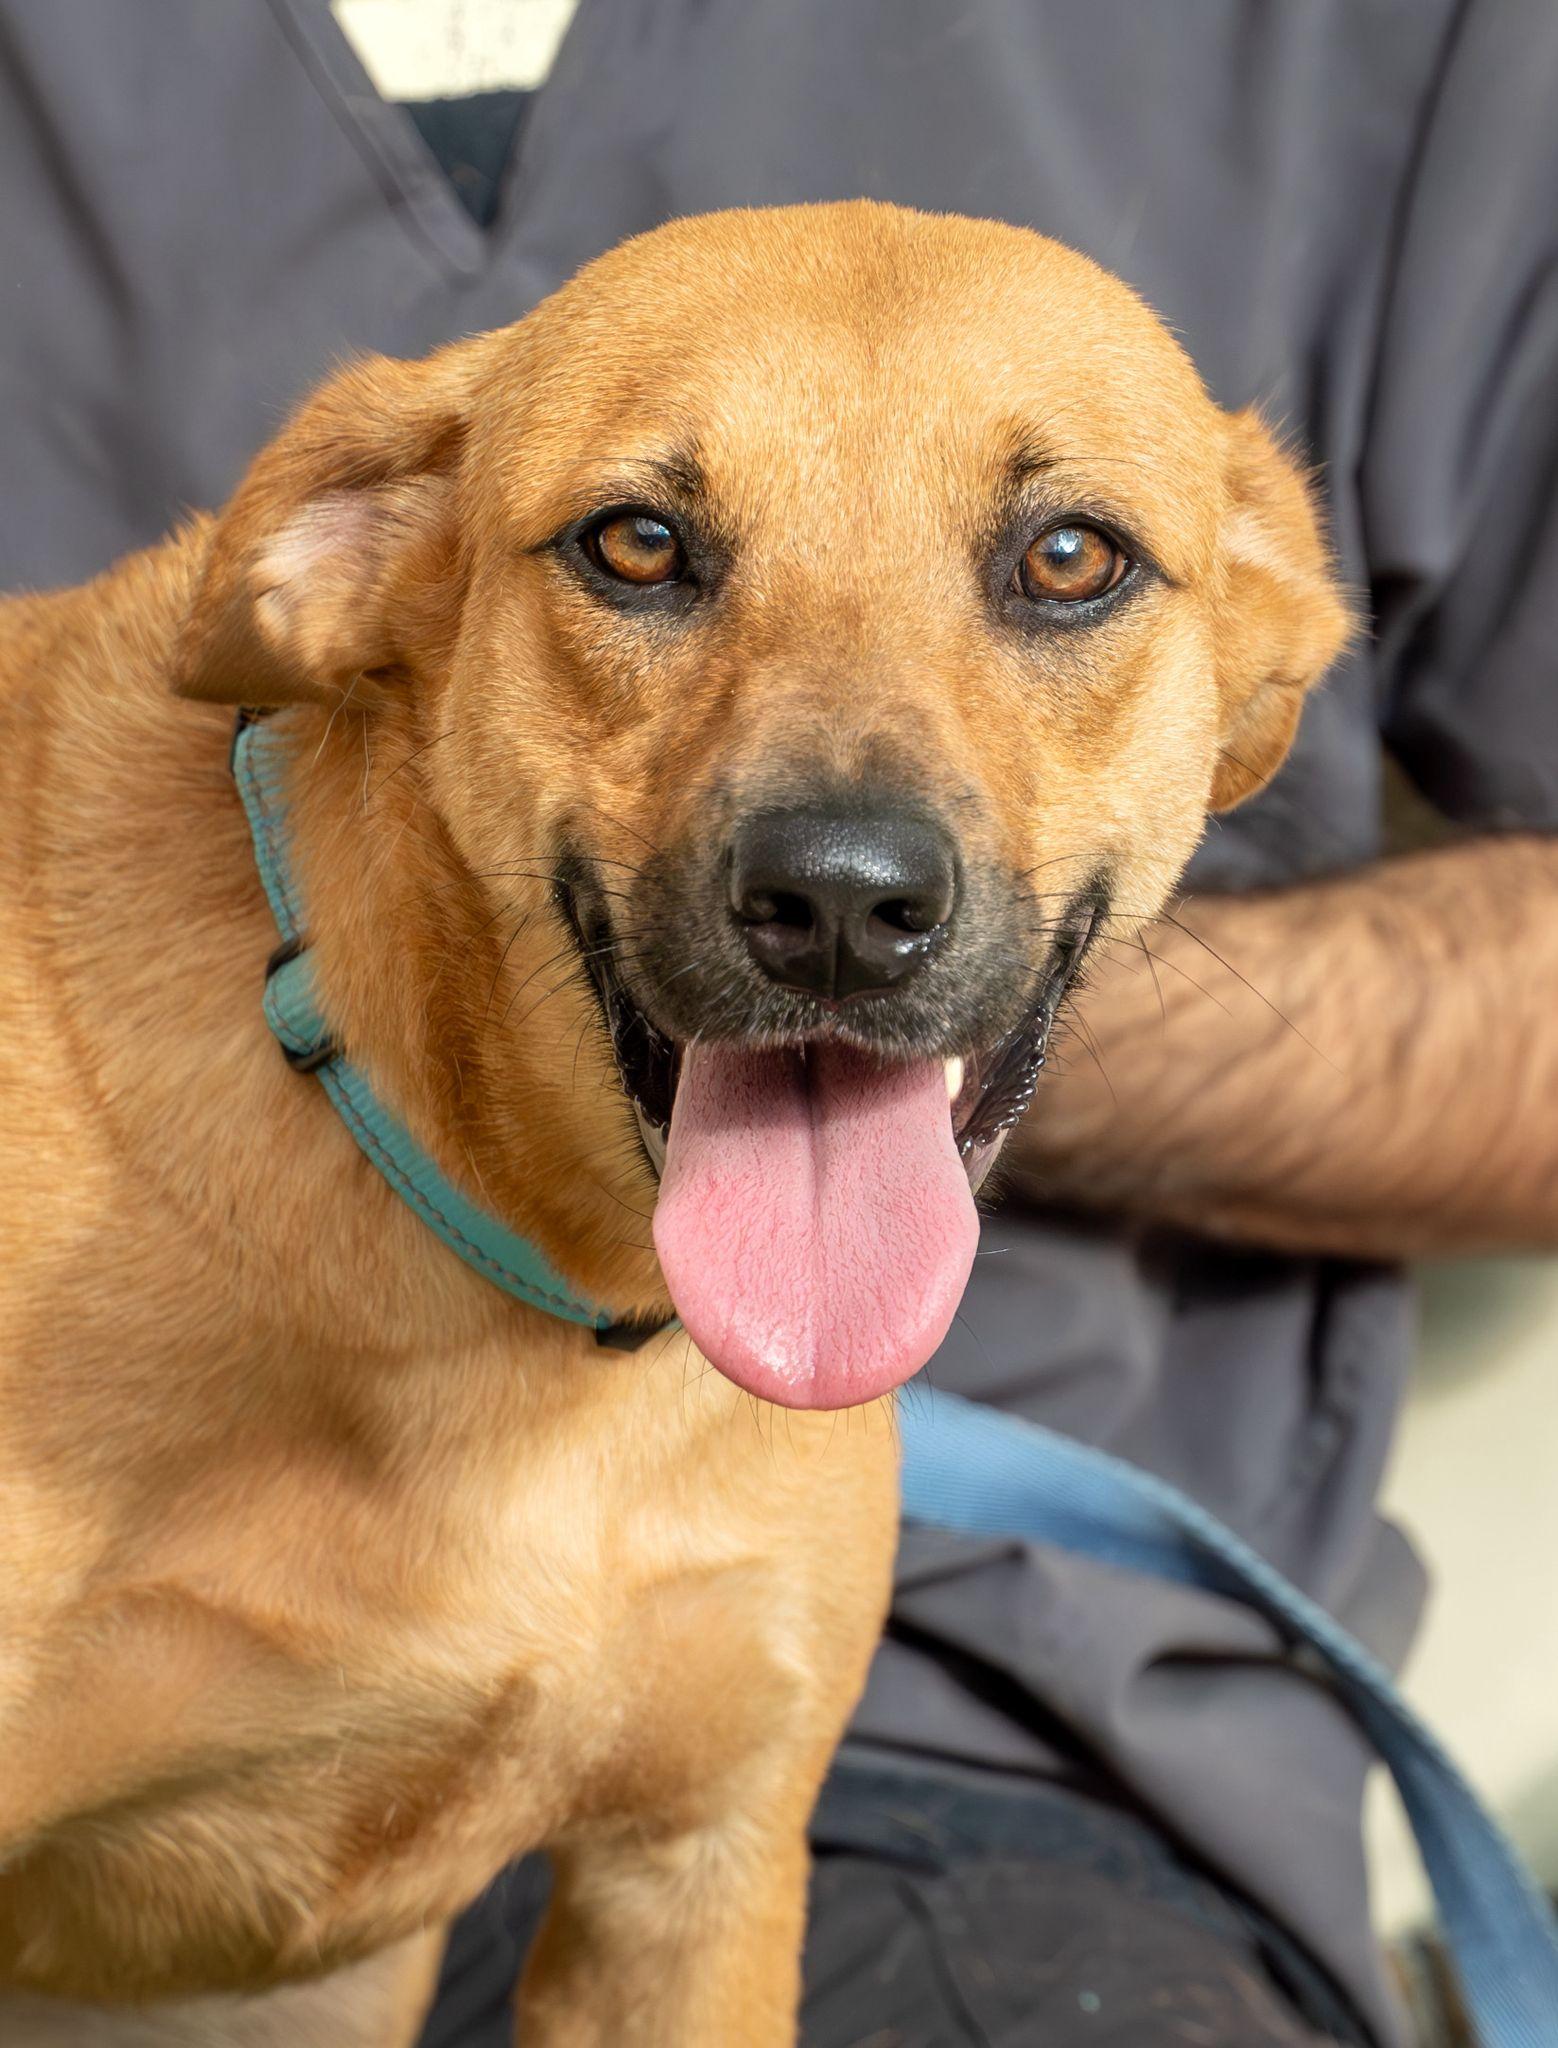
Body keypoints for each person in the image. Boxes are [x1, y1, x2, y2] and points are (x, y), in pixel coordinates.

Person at [3, 4, 1555, 2042]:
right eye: (645, 552)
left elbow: (681, 1934)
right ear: (357, 562)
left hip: (1022, 1764)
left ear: (1253, 654)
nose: (844, 847)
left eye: (1060, 566)